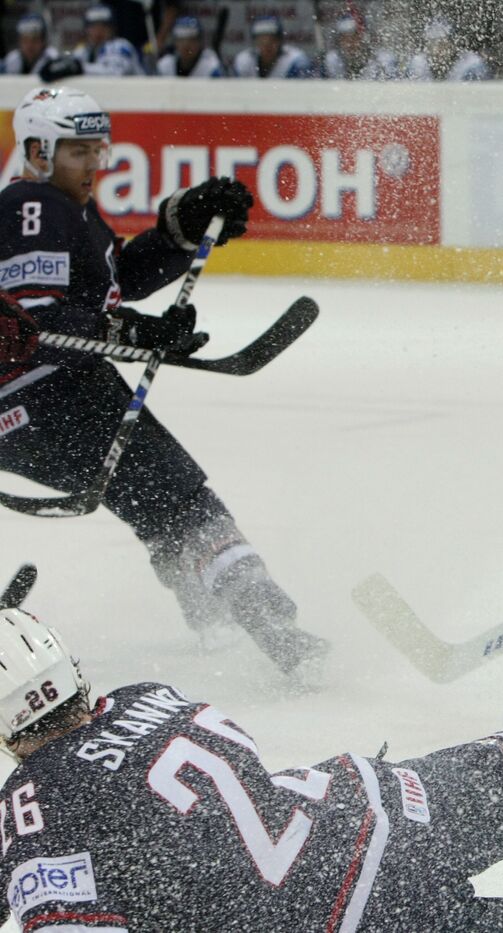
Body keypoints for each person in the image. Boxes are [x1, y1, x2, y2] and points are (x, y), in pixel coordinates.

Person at [0, 605, 503, 932]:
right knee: (452, 790)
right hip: (359, 809)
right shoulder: (147, 697)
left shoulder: (38, 804)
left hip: (340, 914)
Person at [0, 86, 328, 682]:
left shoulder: (64, 210)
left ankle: (209, 612)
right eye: (78, 152)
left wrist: (179, 229)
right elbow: (36, 318)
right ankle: (268, 620)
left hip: (27, 413)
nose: (95, 163)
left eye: (98, 149)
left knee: (152, 500)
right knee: (181, 498)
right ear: (38, 151)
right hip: (55, 396)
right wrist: (135, 331)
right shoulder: (32, 205)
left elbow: (109, 284)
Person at [40, 4, 146, 80]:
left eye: (104, 25)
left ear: (113, 29)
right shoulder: (83, 50)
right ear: (86, 29)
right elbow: (73, 65)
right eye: (93, 26)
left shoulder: (121, 45)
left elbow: (116, 74)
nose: (98, 31)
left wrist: (79, 67)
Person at [232, 15, 317, 79]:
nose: (267, 45)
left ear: (280, 41)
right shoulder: (244, 61)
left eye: (272, 40)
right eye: (261, 41)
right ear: (255, 43)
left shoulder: (295, 61)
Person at [406, 18, 492, 81]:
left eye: (442, 44)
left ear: (454, 44)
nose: (436, 50)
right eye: (432, 44)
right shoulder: (418, 64)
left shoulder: (471, 65)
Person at [322, 13, 401, 81]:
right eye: (345, 39)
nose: (349, 44)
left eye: (354, 38)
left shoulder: (383, 60)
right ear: (339, 41)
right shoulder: (333, 60)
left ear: (362, 38)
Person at [156, 15, 225, 78]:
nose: (186, 45)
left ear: (200, 42)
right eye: (181, 40)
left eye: (191, 39)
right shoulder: (166, 65)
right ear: (175, 42)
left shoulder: (210, 66)